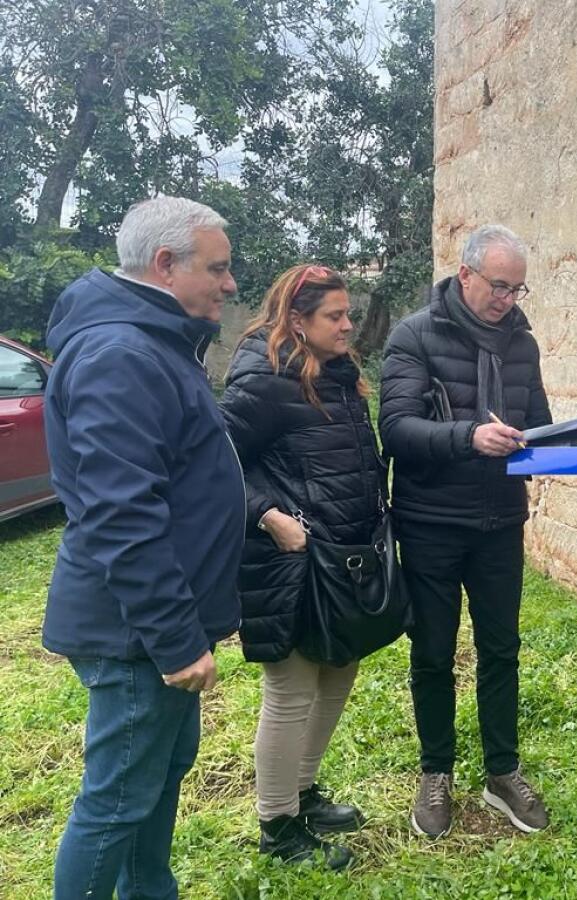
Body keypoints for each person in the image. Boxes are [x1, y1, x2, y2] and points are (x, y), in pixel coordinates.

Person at [41, 196, 243, 899]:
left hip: (155, 624)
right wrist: (175, 640)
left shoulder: (151, 341)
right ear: (165, 264)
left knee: (157, 775)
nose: (230, 284)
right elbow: (120, 514)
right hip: (135, 632)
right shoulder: (120, 354)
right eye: (217, 268)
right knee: (117, 802)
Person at [379, 224, 552, 838]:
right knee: (432, 652)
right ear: (466, 275)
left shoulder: (522, 344)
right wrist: (468, 437)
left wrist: (563, 446)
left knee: (501, 649)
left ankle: (502, 772)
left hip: (500, 522)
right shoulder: (414, 335)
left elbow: (538, 419)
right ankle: (436, 773)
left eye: (517, 288)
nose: (508, 299)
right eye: (499, 286)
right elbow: (396, 429)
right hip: (431, 523)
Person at [220, 264, 386, 869]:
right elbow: (213, 462)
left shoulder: (338, 374)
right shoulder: (263, 381)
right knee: (291, 691)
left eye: (348, 315)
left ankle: (303, 793)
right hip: (288, 561)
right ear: (296, 320)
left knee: (338, 671)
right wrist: (268, 515)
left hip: (342, 559)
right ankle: (277, 826)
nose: (348, 326)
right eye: (334, 316)